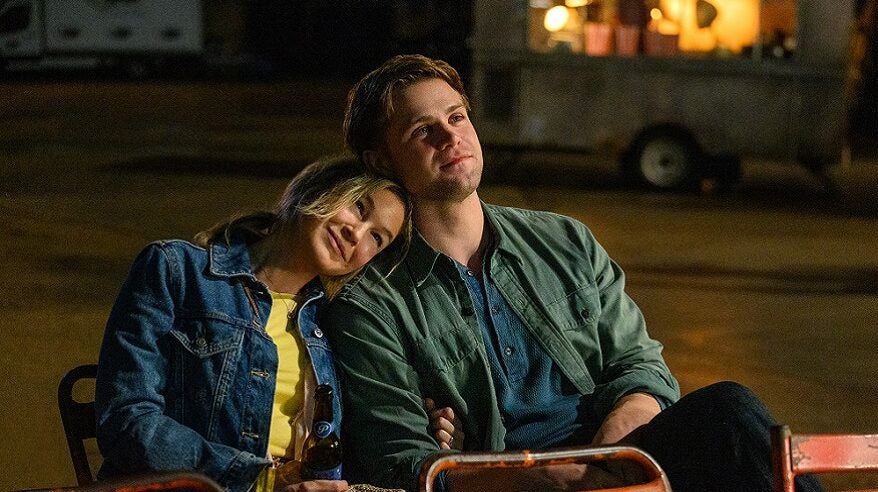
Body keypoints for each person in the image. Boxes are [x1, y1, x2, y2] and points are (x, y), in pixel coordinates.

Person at [321, 54, 824, 492]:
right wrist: (554, 478)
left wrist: (613, 452)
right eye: (423, 130)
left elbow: (638, 364)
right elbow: (404, 463)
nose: (451, 137)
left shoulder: (564, 241)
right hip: (513, 478)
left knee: (728, 413)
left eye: (457, 117)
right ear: (380, 160)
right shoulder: (372, 302)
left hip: (622, 451)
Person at [95, 155, 455, 492]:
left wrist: (415, 425)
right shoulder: (178, 271)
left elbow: (353, 442)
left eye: (376, 238)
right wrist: (262, 479)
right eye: (358, 208)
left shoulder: (334, 323)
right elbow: (127, 420)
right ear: (317, 189)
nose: (356, 235)